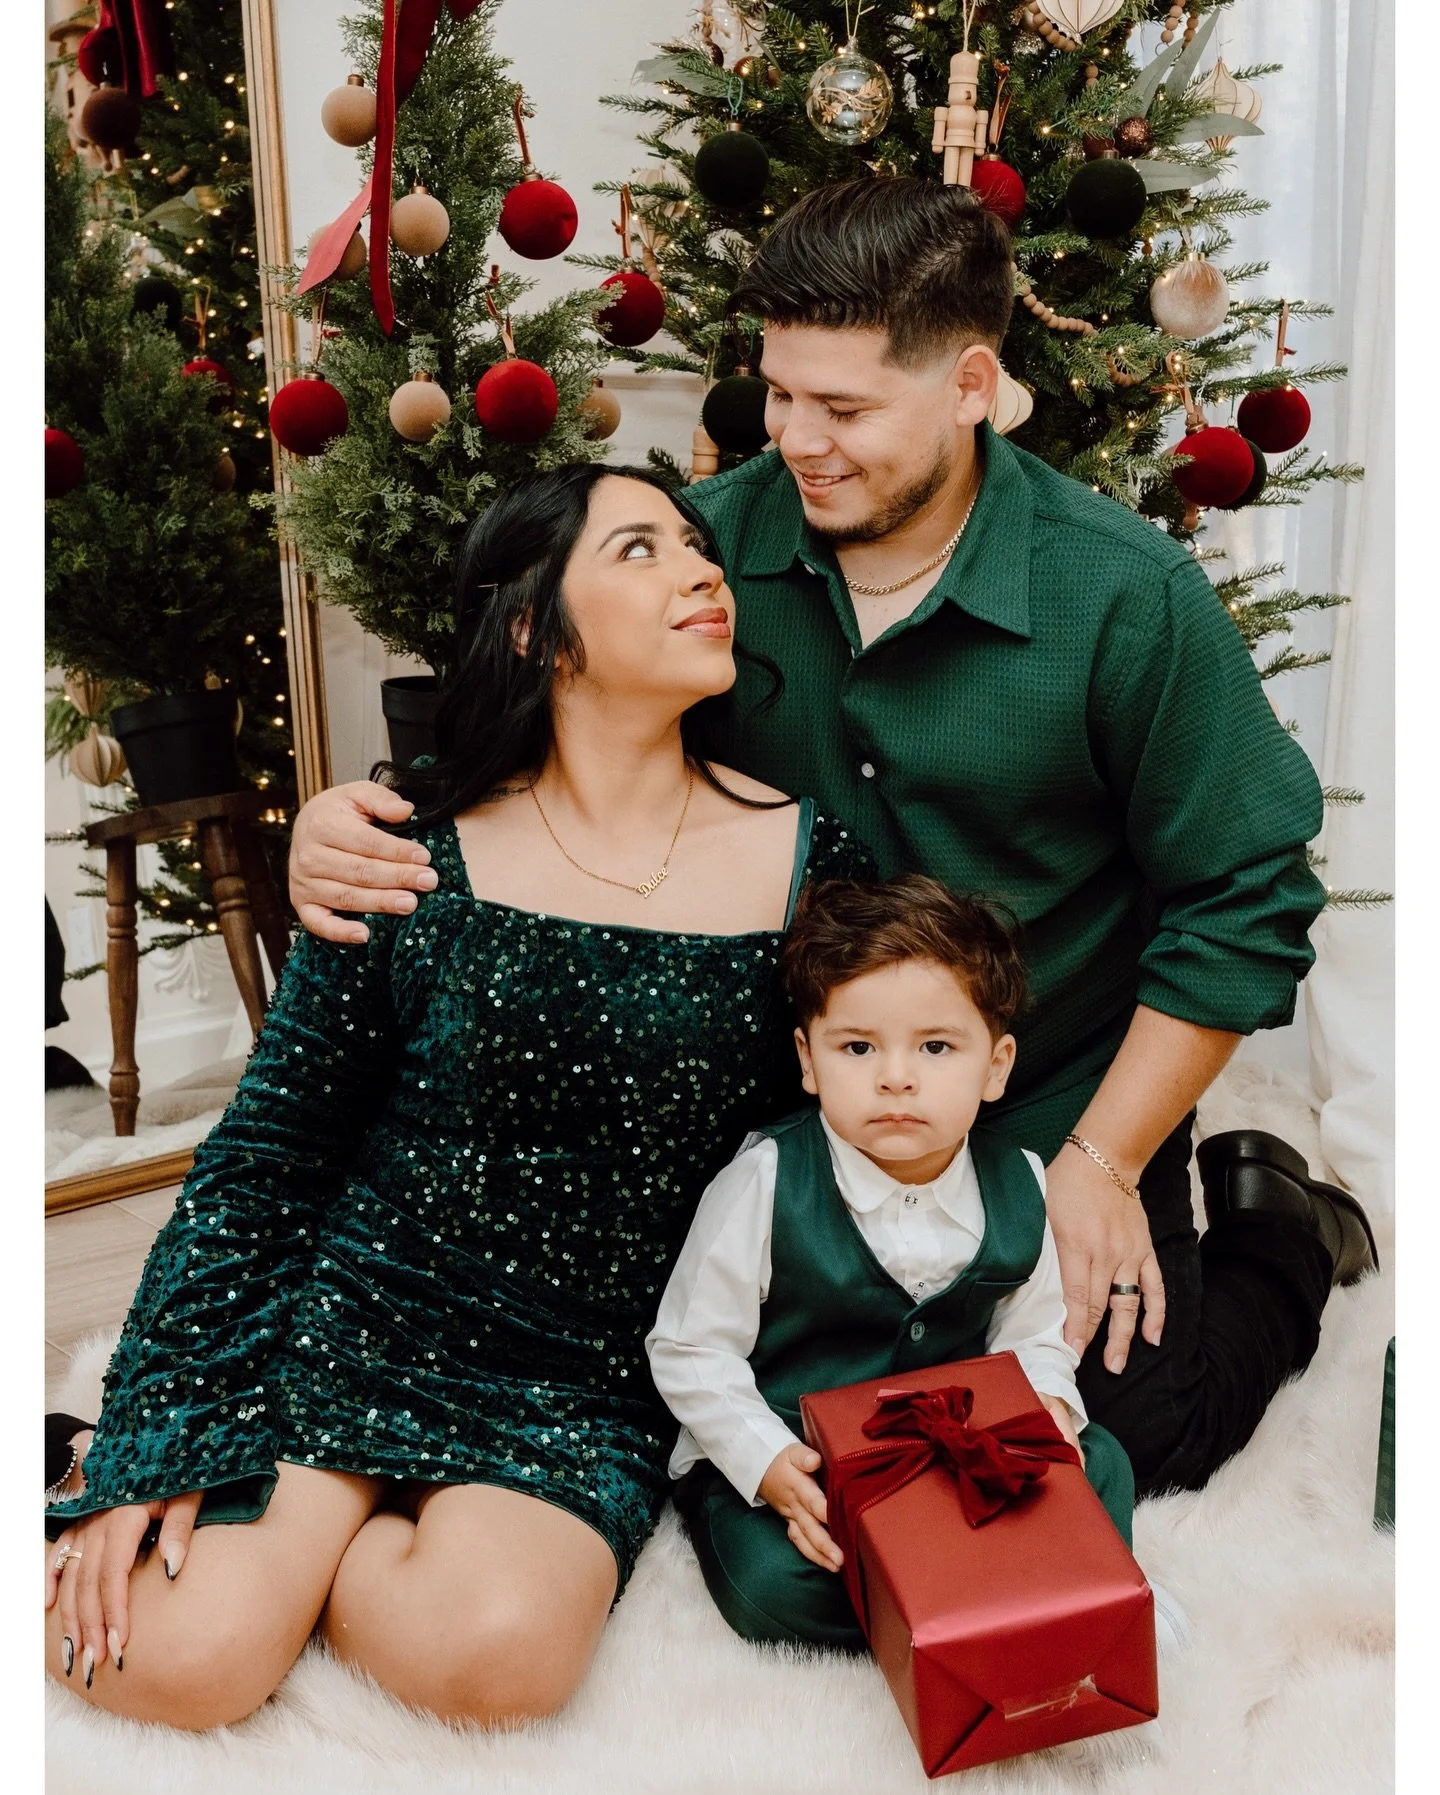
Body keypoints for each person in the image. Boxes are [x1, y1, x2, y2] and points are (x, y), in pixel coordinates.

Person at [286, 178, 1376, 1504]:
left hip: (1044, 1109)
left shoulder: (1125, 595)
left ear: (973, 382)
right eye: (780, 392)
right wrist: (348, 820)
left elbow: (1248, 897)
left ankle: (1281, 1225)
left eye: (846, 408)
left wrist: (1102, 1161)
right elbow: (548, 729)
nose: (797, 438)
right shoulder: (708, 554)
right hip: (777, 1112)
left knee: (1120, 1446)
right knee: (728, 1417)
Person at [43, 464, 872, 1729]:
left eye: (701, 548)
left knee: (494, 1664)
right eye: (642, 550)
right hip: (352, 1315)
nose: (705, 572)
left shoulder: (815, 860)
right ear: (536, 625)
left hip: (578, 1371)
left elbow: (846, 1127)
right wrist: (159, 1419)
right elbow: (269, 1151)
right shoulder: (403, 851)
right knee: (165, 1657)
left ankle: (293, 1553)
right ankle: (190, 1502)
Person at [645, 874, 1133, 1651]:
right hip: (799, 1459)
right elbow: (690, 1347)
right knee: (774, 1583)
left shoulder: (1021, 1186)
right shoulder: (765, 1184)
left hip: (938, 1459)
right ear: (808, 1059)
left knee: (1101, 1465)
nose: (896, 1076)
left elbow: (1034, 1335)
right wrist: (768, 1462)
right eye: (858, 1046)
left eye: (936, 1047)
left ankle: (971, 1580)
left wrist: (1049, 1418)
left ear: (997, 1065)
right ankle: (969, 1592)